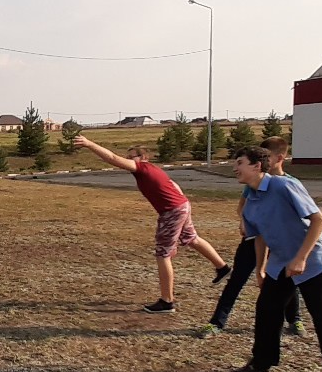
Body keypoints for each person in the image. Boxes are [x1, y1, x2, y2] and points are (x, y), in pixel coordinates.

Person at [227, 145, 322, 372]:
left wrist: (301, 258)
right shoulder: (250, 200)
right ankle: (262, 361)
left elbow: (319, 220)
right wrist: (261, 269)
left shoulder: (283, 186)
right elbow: (258, 237)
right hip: (280, 263)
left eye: (239, 162)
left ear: (257, 166)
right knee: (266, 310)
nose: (234, 168)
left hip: (312, 260)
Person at [71, 134, 229, 312]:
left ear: (144, 158)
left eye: (133, 157)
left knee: (163, 254)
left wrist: (89, 143)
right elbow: (175, 186)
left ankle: (167, 302)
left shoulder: (143, 168)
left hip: (173, 211)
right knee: (192, 238)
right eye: (128, 157)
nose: (129, 160)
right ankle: (222, 268)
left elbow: (112, 158)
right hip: (182, 205)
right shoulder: (154, 170)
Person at [198, 135, 306, 338]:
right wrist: (245, 221)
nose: (264, 161)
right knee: (236, 280)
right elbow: (243, 207)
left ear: (280, 158)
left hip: (279, 243)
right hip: (254, 240)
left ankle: (295, 320)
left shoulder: (289, 183)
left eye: (268, 156)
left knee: (288, 280)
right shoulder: (252, 184)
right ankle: (217, 322)